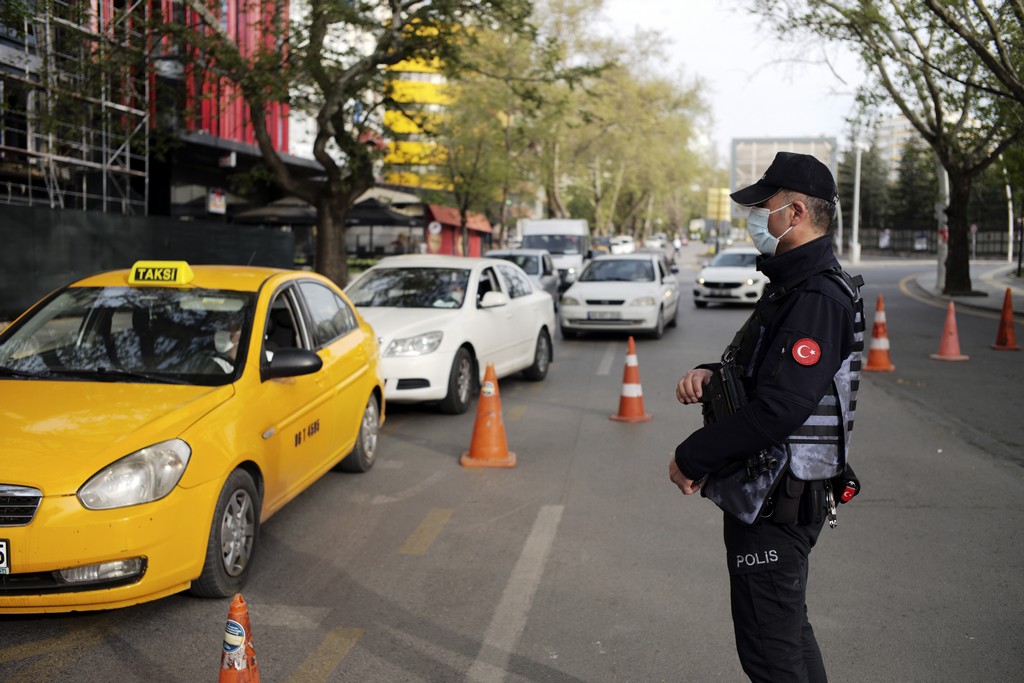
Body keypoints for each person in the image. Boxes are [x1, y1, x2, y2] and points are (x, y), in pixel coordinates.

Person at [669, 152, 864, 682]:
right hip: (771, 496)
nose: (756, 218)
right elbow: (774, 378)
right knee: (787, 636)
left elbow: (782, 406)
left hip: (776, 504)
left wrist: (692, 456)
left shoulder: (818, 295)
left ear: (796, 213)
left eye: (764, 207)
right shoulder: (796, 287)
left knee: (771, 654)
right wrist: (717, 374)